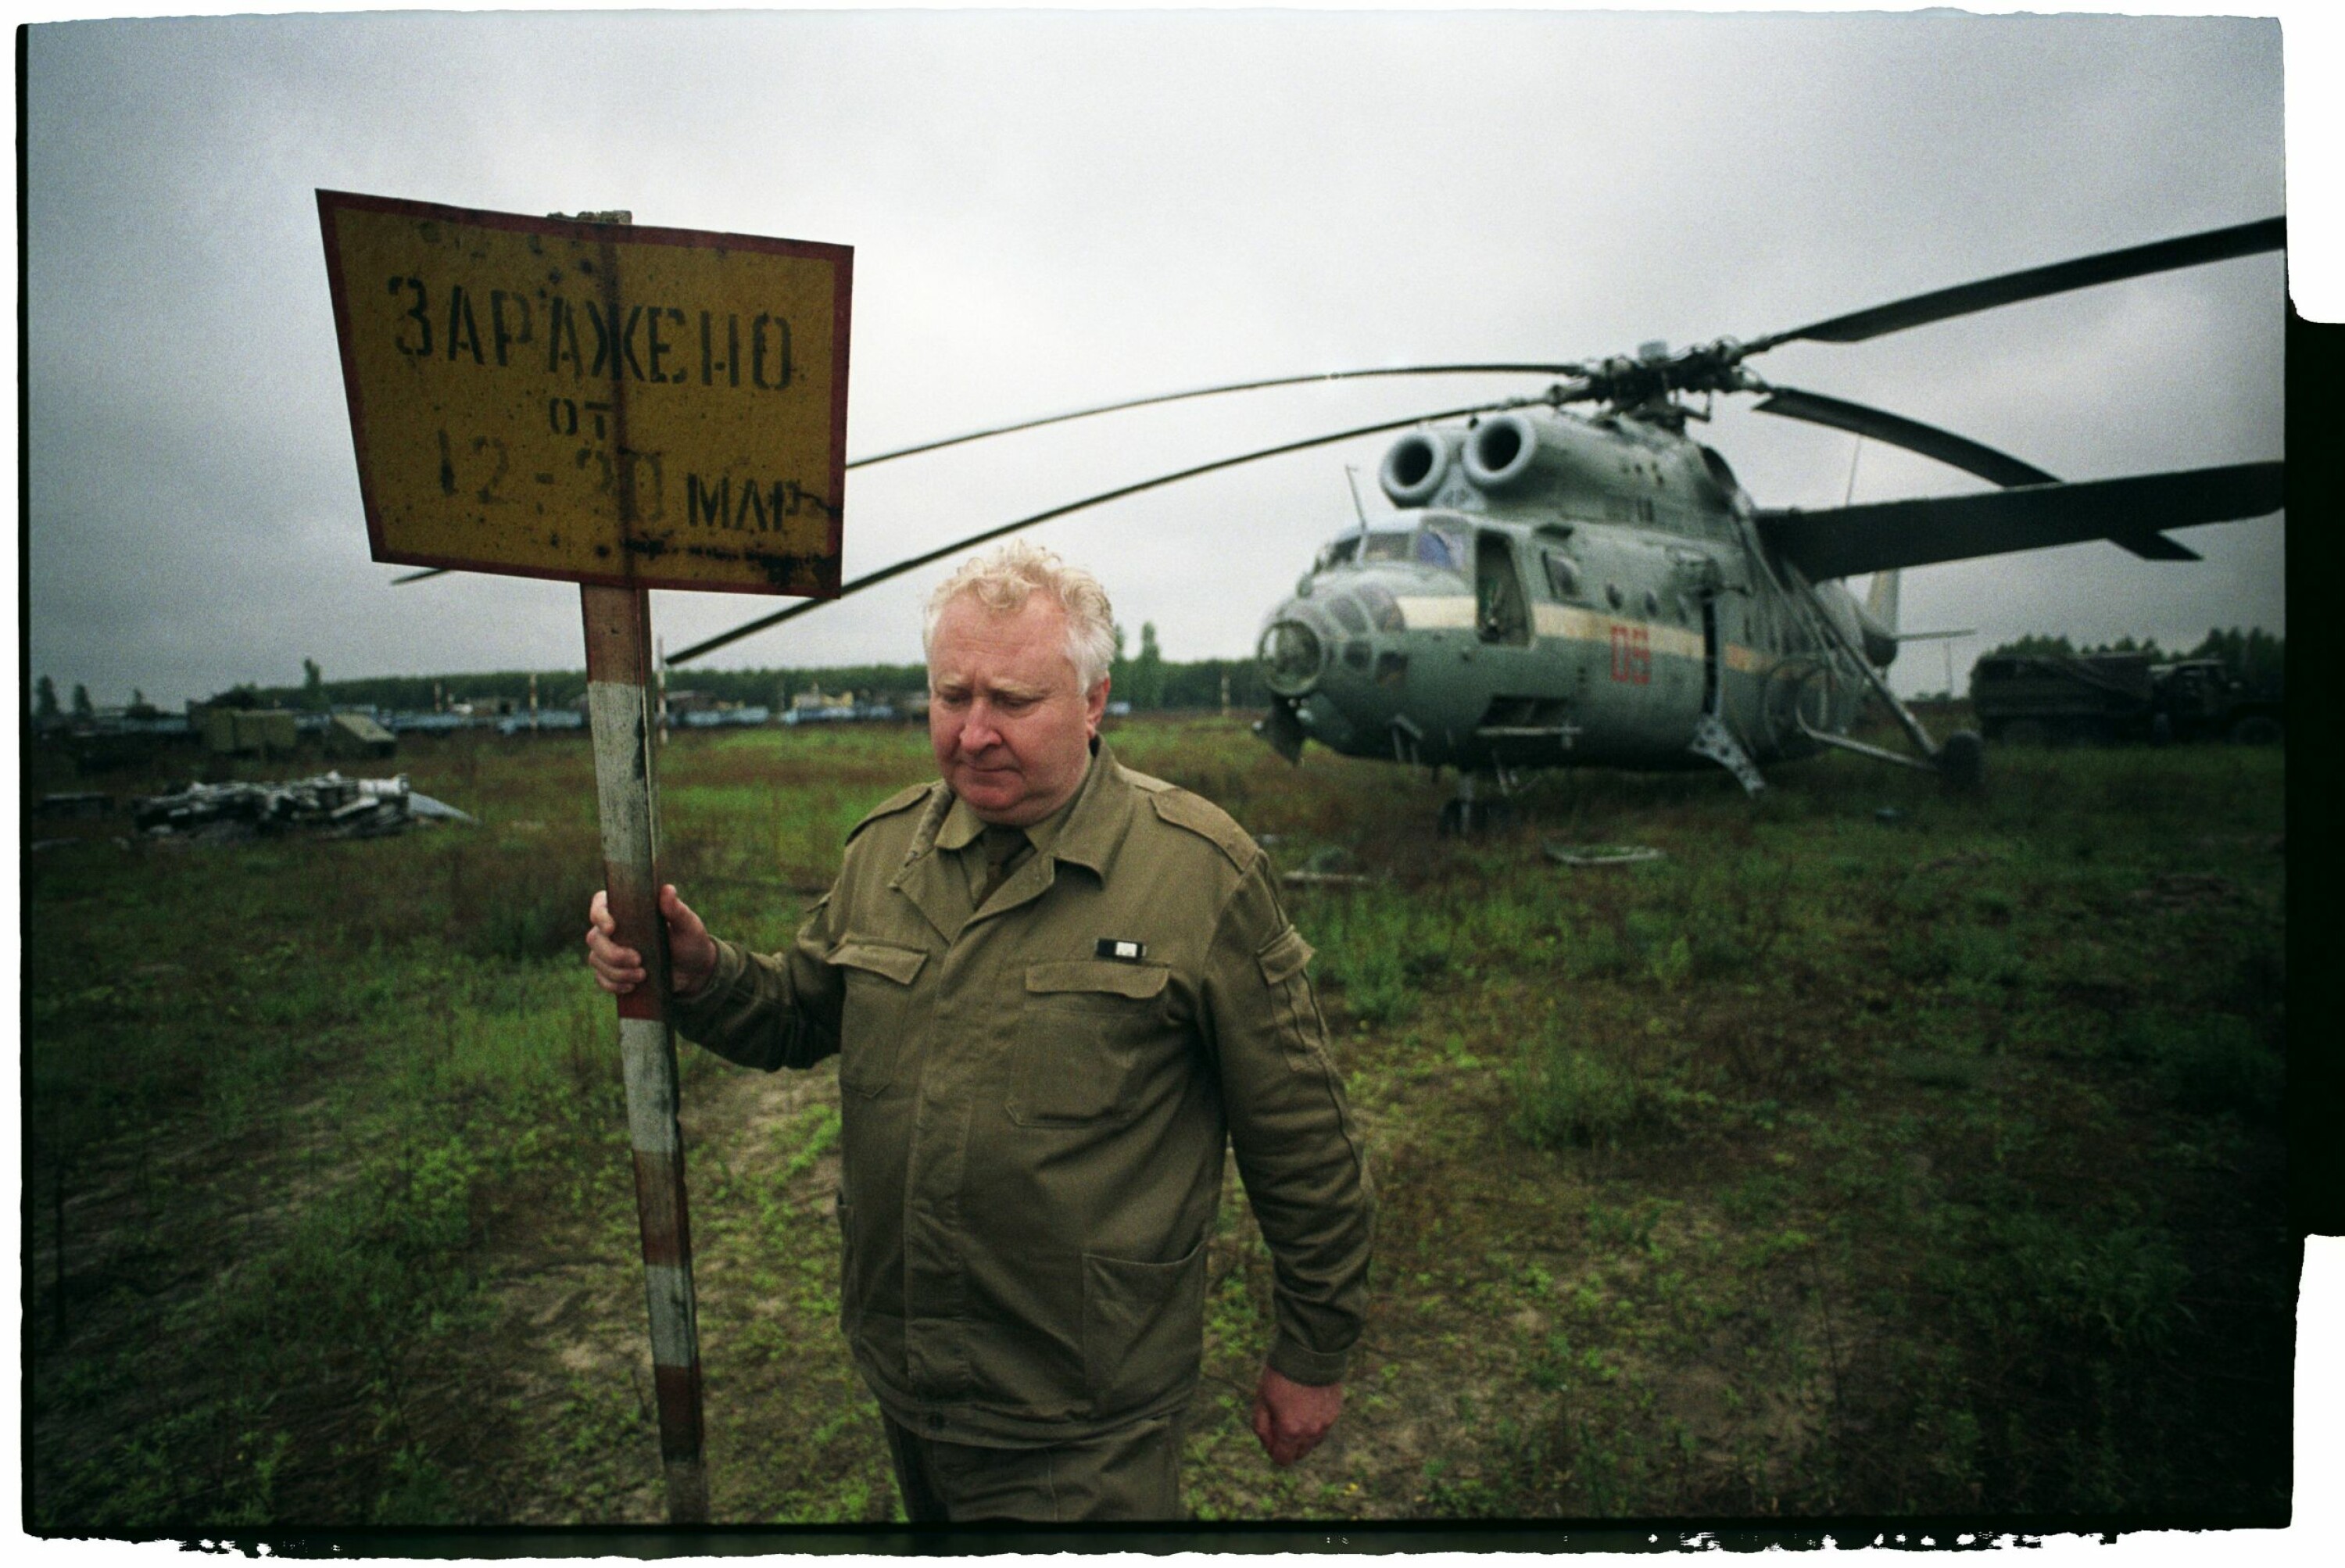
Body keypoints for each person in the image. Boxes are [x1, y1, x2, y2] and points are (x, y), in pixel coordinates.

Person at [585, 541, 1373, 1523]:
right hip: (909, 1376)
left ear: (1094, 701)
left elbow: (1304, 1143)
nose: (974, 732)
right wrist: (701, 972)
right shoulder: (886, 852)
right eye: (951, 695)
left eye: (1013, 699)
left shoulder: (1199, 872)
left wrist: (1313, 1351)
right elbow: (799, 1012)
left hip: (1085, 1414)